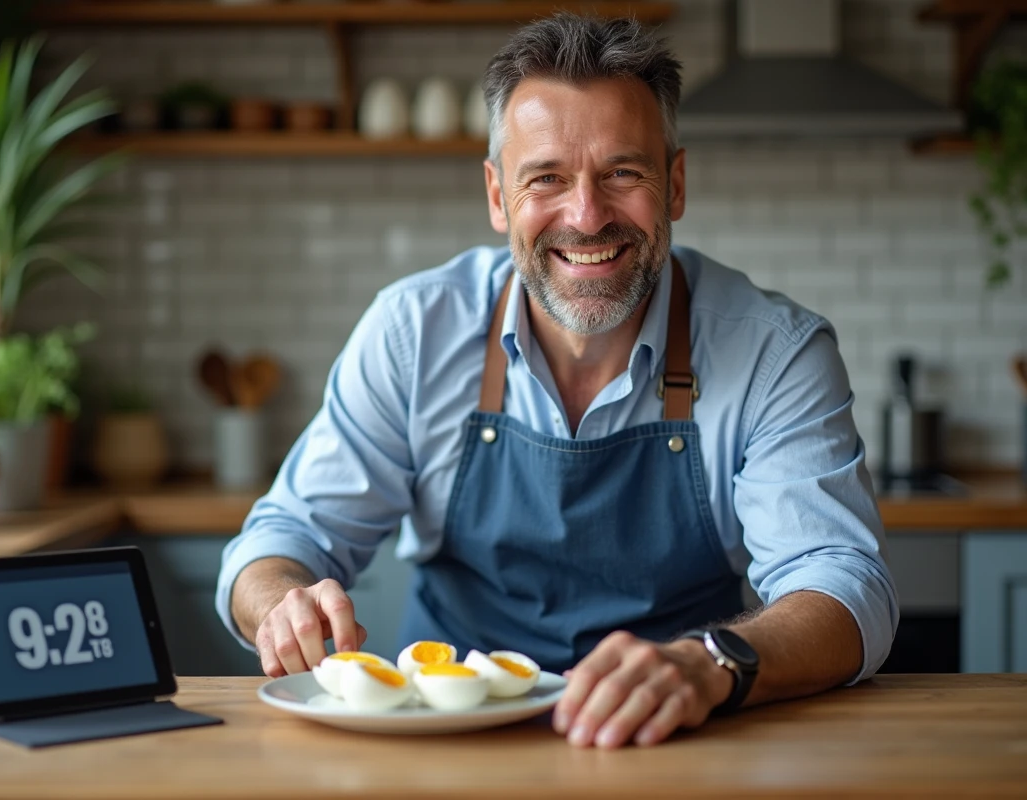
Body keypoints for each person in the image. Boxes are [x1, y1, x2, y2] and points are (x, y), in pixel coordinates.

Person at [216, 12, 898, 749]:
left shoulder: (775, 352)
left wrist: (710, 663)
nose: (587, 216)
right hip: (447, 743)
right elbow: (281, 540)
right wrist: (282, 601)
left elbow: (844, 585)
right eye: (547, 178)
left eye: (623, 174)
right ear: (496, 195)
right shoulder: (413, 333)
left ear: (674, 185)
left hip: (677, 737)